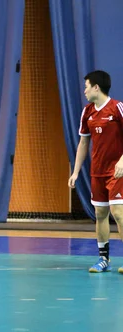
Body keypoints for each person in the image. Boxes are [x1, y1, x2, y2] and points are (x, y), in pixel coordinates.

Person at [68, 70, 123, 274]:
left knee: (118, 213)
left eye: (86, 86)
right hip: (97, 172)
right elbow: (83, 142)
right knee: (100, 214)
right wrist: (75, 172)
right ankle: (103, 259)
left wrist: (122, 161)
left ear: (96, 87)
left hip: (117, 172)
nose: (84, 90)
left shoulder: (118, 108)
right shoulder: (87, 112)